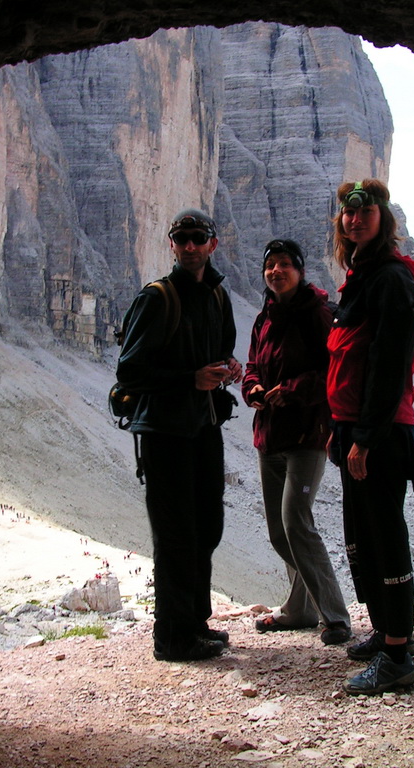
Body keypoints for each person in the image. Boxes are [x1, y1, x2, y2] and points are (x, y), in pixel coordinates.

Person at [116, 208, 242, 662]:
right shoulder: (158, 297)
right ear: (172, 244)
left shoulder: (218, 297)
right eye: (181, 238)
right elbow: (129, 371)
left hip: (205, 426)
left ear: (212, 243)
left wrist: (229, 369)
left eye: (197, 237)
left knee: (207, 526)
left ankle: (195, 622)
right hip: (165, 433)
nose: (189, 246)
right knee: (175, 535)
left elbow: (220, 349)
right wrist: (190, 379)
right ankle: (172, 638)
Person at [326, 179, 414, 694]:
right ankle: (390, 634)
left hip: (381, 434)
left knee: (385, 538)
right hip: (357, 429)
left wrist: (363, 438)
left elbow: (387, 367)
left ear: (383, 220)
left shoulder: (388, 279)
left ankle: (397, 657)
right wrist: (341, 433)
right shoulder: (362, 277)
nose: (355, 218)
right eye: (348, 212)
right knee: (365, 534)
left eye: (366, 212)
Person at [242, 239, 353, 646]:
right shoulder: (263, 317)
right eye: (270, 265)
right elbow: (253, 364)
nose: (276, 271)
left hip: (306, 436)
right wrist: (252, 388)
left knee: (296, 524)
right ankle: (300, 610)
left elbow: (332, 371)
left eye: (285, 264)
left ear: (300, 270)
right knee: (277, 531)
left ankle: (335, 616)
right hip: (268, 436)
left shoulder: (317, 313)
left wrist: (288, 391)